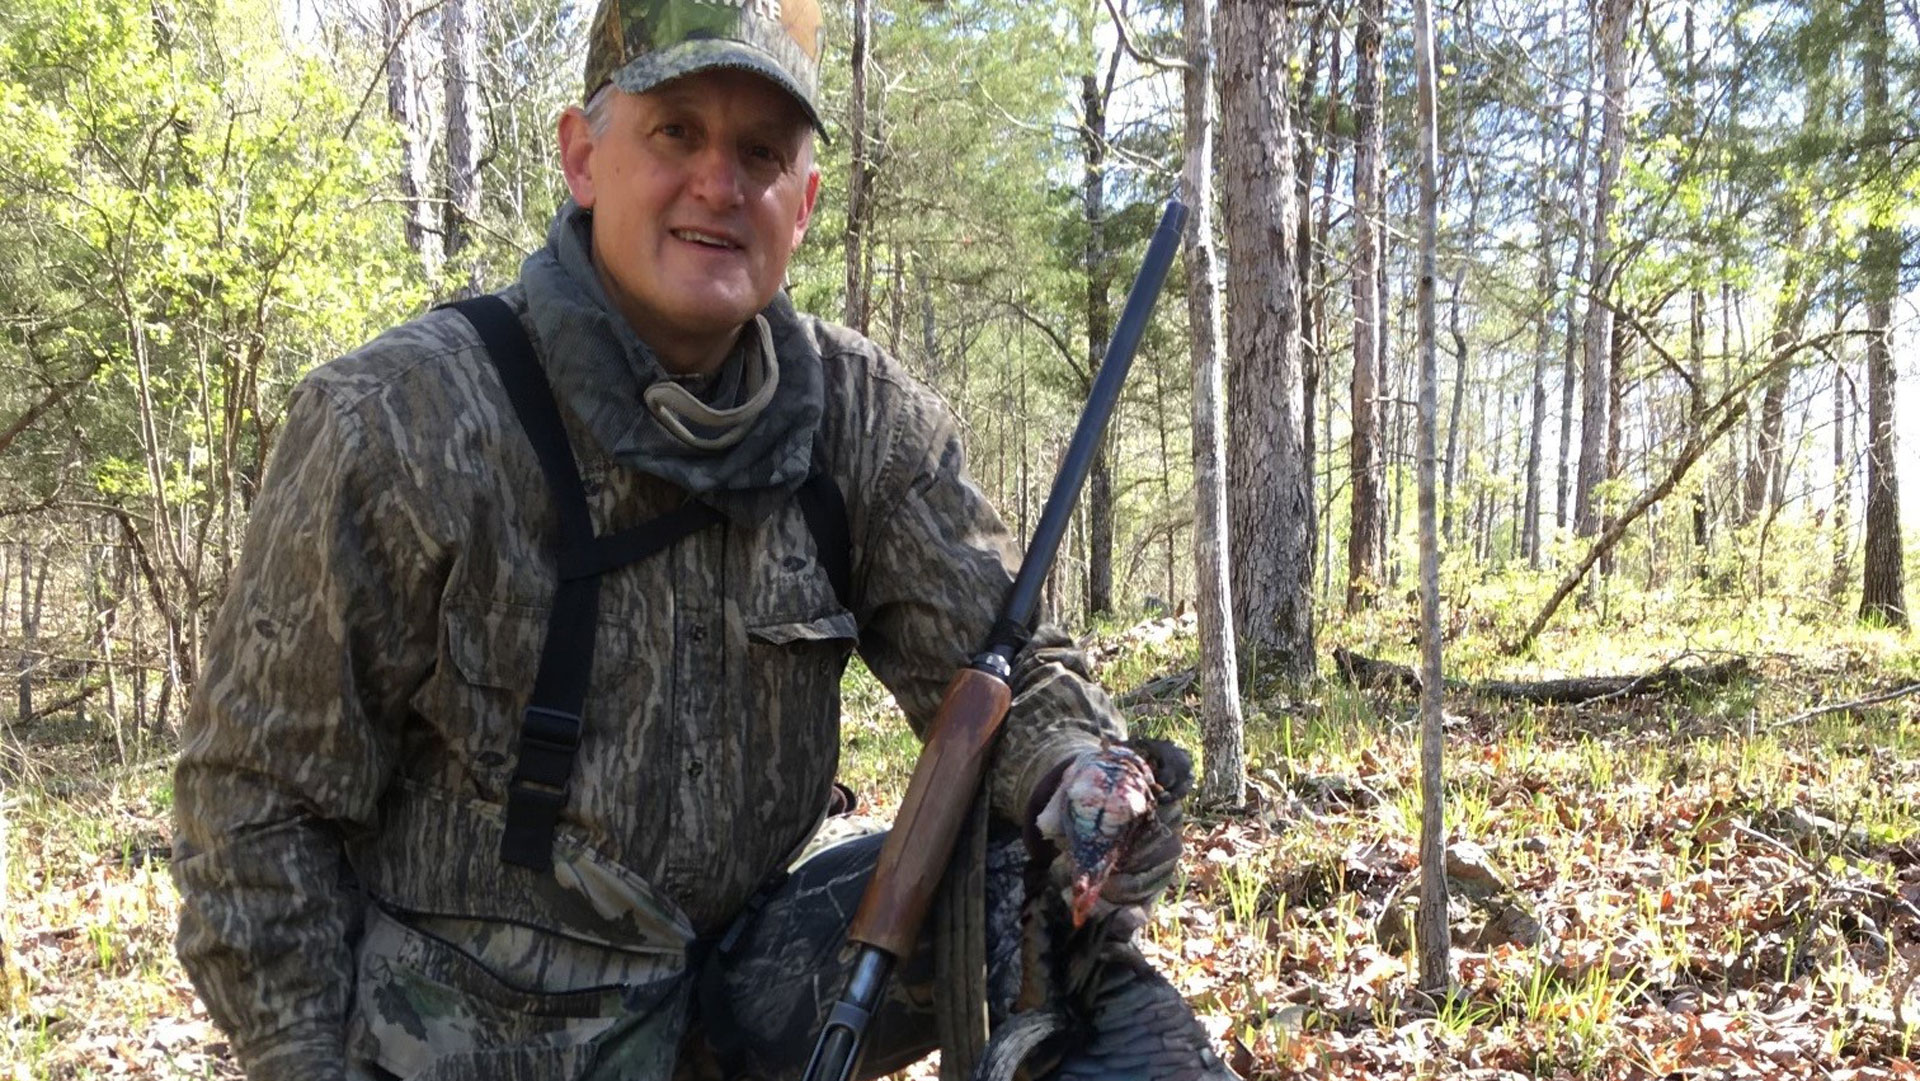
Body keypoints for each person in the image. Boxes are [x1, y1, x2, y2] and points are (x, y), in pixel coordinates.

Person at [171, 1, 1178, 1078]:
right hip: (468, 1029)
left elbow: (1005, 663)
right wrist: (299, 1060)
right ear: (582, 156)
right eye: (676, 133)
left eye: (760, 151)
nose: (719, 182)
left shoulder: (863, 420)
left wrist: (1079, 772)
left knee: (1037, 895)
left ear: (804, 202)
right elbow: (254, 803)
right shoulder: (400, 420)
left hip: (731, 994)